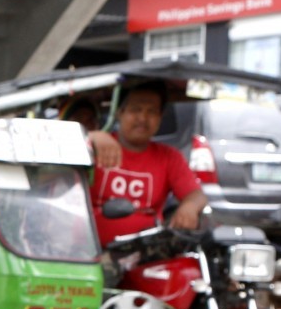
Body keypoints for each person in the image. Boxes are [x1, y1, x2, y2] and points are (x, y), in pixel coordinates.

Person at [88, 81, 207, 249]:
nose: (143, 118)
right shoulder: (95, 145)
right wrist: (88, 137)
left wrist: (190, 207)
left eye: (151, 112)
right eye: (135, 109)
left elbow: (196, 195)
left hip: (145, 255)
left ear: (159, 118)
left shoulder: (169, 157)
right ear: (119, 113)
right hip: (89, 253)